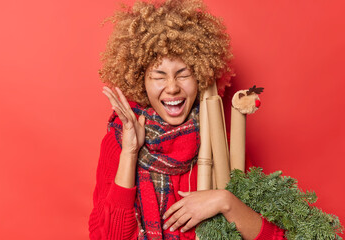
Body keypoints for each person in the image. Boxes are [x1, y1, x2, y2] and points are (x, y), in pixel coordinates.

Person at [89, 0, 286, 239]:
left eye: (184, 74)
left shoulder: (223, 146)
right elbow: (107, 236)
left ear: (201, 75)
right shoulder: (118, 143)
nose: (172, 88)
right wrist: (130, 152)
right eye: (159, 76)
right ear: (141, 81)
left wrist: (225, 201)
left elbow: (275, 236)